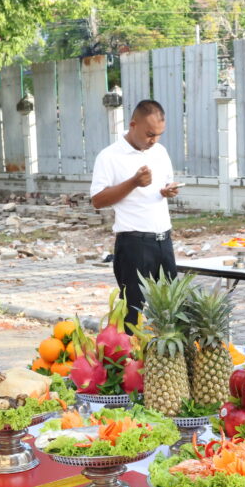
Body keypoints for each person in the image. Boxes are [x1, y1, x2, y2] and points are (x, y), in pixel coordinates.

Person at [89, 100, 182, 329]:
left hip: (164, 241)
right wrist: (133, 182)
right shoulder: (109, 156)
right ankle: (129, 352)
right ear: (133, 125)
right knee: (132, 314)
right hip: (134, 245)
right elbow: (97, 201)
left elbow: (163, 186)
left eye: (159, 134)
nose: (154, 140)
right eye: (150, 134)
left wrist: (167, 191)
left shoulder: (160, 152)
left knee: (172, 312)